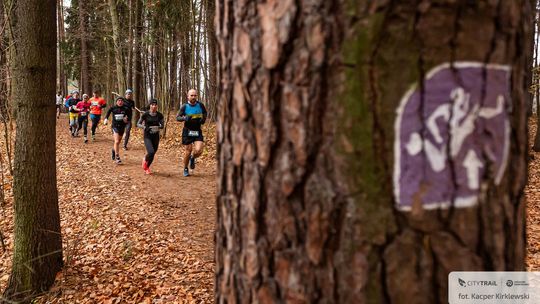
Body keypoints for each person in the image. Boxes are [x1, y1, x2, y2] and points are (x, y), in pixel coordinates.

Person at [176, 89, 207, 177]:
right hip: (187, 130)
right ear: (188, 96)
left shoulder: (200, 105)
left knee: (199, 150)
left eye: (195, 95)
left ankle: (193, 158)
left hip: (197, 130)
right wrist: (184, 118)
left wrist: (203, 119)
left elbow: (205, 113)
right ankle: (185, 168)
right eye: (191, 95)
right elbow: (177, 118)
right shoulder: (184, 106)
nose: (193, 97)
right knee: (188, 151)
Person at [137, 99, 164, 175]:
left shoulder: (160, 115)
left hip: (156, 136)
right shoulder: (145, 115)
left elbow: (162, 126)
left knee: (153, 153)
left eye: (155, 105)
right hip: (147, 136)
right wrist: (145, 127)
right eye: (152, 105)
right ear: (150, 105)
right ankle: (145, 161)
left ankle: (147, 167)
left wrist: (159, 126)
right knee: (151, 152)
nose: (154, 106)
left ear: (157, 106)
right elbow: (138, 124)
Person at [104, 97, 131, 164]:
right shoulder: (113, 108)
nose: (120, 102)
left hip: (122, 127)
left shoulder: (126, 109)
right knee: (116, 141)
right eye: (119, 100)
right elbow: (108, 112)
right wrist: (106, 119)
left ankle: (114, 150)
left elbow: (129, 117)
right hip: (115, 126)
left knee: (118, 142)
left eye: (121, 101)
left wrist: (126, 119)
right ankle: (117, 157)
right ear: (116, 102)